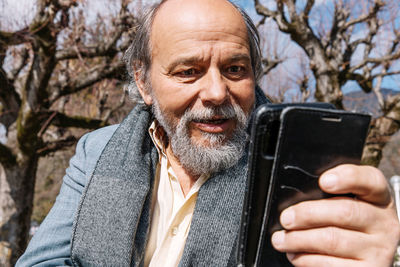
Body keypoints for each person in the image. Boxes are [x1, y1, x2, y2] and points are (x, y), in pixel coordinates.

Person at [17, 0, 400, 266]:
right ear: (143, 81)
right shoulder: (96, 150)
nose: (217, 92)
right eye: (188, 71)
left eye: (235, 69)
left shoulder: (294, 174)